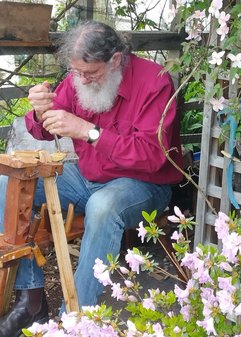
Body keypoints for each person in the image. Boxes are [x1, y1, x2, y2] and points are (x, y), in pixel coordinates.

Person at [0, 20, 183, 337]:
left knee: (102, 206)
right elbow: (45, 127)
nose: (81, 79)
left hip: (143, 185)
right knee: (7, 184)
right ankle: (31, 300)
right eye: (76, 72)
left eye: (90, 74)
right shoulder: (77, 79)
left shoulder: (155, 82)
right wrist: (40, 111)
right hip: (88, 176)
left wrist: (89, 131)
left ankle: (72, 322)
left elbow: (154, 156)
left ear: (115, 60)